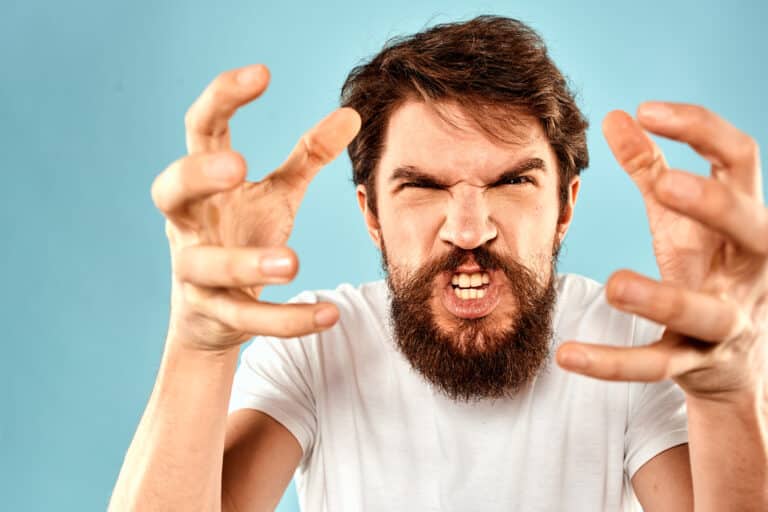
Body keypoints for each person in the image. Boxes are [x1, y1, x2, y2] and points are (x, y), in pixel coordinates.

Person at [109, 16, 767, 511]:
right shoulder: (316, 347)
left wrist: (728, 395)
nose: (469, 229)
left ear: (565, 207)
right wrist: (199, 346)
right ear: (371, 214)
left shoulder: (628, 346)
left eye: (512, 182)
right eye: (422, 186)